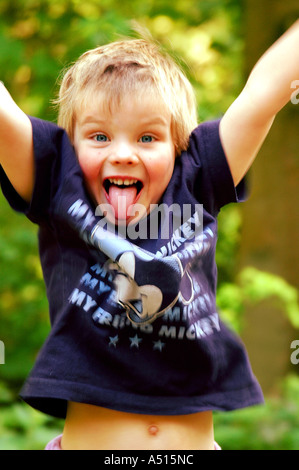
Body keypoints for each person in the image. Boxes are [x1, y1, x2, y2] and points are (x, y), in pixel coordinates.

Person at [0, 19, 298, 451]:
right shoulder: (56, 181)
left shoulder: (199, 180)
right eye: (99, 136)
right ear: (72, 144)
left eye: (147, 137)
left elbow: (264, 94)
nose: (122, 154)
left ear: (178, 147)